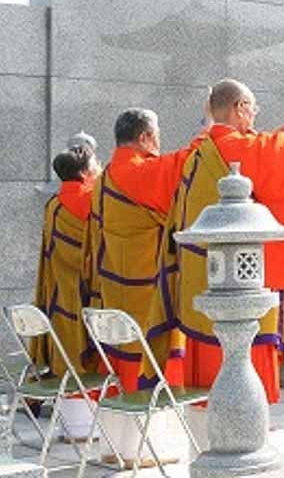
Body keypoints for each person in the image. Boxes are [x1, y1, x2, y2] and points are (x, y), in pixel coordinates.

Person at [150, 79, 284, 404]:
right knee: (242, 378)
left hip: (198, 287)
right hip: (241, 296)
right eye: (253, 108)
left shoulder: (197, 153)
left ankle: (204, 434)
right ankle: (245, 429)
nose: (255, 117)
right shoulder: (240, 148)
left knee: (203, 386)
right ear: (240, 108)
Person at [85, 108, 205, 390]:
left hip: (113, 291)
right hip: (147, 296)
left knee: (118, 374)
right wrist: (210, 127)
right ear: (145, 136)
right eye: (157, 135)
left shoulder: (103, 178)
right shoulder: (136, 172)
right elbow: (189, 162)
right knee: (144, 376)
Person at [30, 147, 101, 375]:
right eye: (95, 162)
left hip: (59, 292)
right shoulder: (95, 200)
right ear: (85, 171)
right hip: (92, 292)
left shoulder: (53, 206)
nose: (99, 165)